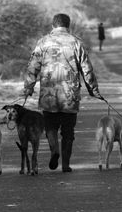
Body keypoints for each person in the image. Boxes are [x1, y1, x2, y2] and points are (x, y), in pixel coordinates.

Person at [23, 13, 103, 173]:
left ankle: (55, 151)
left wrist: (29, 87)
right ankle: (66, 164)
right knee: (68, 132)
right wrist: (93, 89)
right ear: (69, 25)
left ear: (53, 25)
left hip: (48, 94)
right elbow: (86, 69)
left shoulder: (43, 42)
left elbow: (32, 67)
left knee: (51, 127)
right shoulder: (76, 42)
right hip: (70, 95)